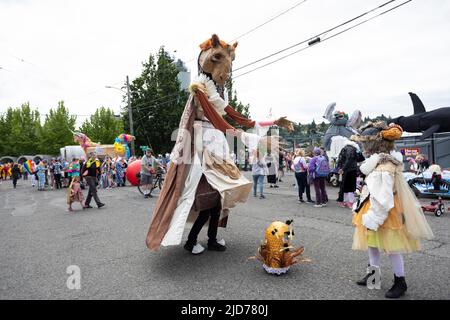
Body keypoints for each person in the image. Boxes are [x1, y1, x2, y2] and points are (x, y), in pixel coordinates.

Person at [351, 122, 434, 298]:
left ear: (374, 145)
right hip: (371, 207)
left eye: (366, 144)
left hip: (384, 210)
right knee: (372, 245)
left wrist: (374, 217)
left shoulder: (385, 166)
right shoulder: (377, 163)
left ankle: (400, 281)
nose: (363, 147)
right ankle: (374, 276)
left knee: (392, 248)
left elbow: (384, 198)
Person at [336, 139, 364, 208]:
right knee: (349, 187)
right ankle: (348, 202)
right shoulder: (350, 148)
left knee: (346, 186)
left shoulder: (351, 148)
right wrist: (343, 168)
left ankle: (345, 201)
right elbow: (349, 160)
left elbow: (360, 159)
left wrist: (341, 168)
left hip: (349, 169)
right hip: (349, 170)